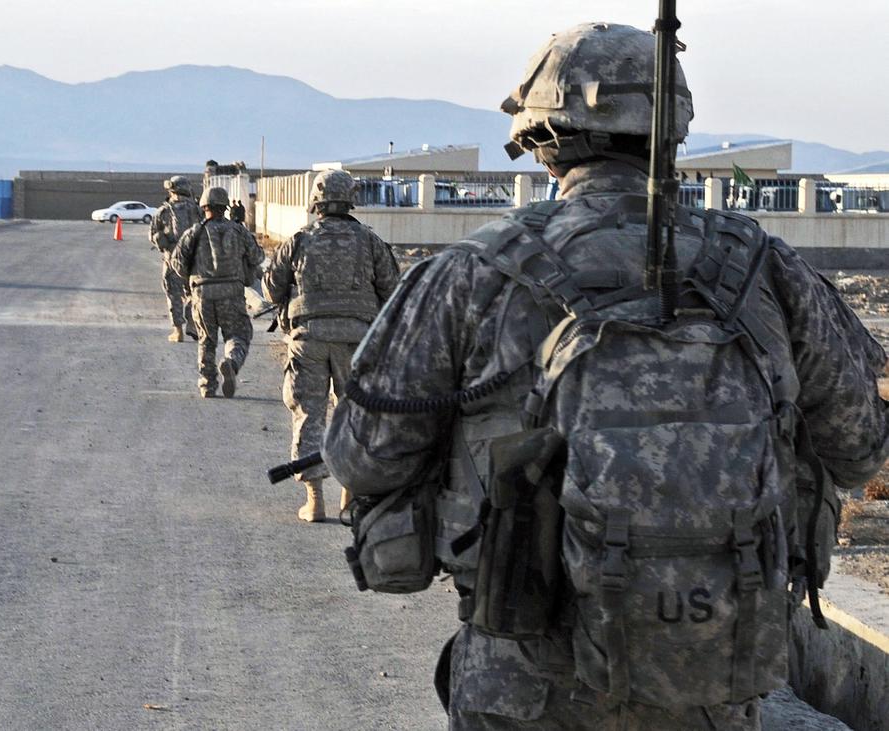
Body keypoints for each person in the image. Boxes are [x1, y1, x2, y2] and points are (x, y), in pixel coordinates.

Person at [322, 22, 889, 730]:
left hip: (524, 682)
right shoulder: (767, 268)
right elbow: (859, 449)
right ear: (672, 132)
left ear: (542, 136)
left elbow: (363, 456)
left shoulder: (472, 271)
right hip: (712, 678)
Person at [262, 169, 398, 522]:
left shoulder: (299, 240)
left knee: (309, 414)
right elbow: (392, 289)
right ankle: (349, 496)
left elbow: (271, 290)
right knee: (353, 414)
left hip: (308, 340)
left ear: (316, 200)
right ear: (350, 198)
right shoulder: (370, 241)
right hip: (357, 340)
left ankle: (314, 500)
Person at [170, 186, 264, 398]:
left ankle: (207, 385)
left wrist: (193, 275)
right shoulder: (239, 231)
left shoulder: (193, 233)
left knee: (206, 340)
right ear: (225, 207)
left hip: (202, 294)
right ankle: (231, 361)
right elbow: (257, 257)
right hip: (232, 293)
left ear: (204, 207)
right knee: (239, 335)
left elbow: (177, 264)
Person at [150, 175, 202, 342]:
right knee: (194, 292)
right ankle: (192, 323)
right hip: (194, 260)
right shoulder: (198, 210)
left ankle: (178, 331)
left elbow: (153, 235)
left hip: (172, 260)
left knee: (173, 294)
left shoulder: (163, 211)